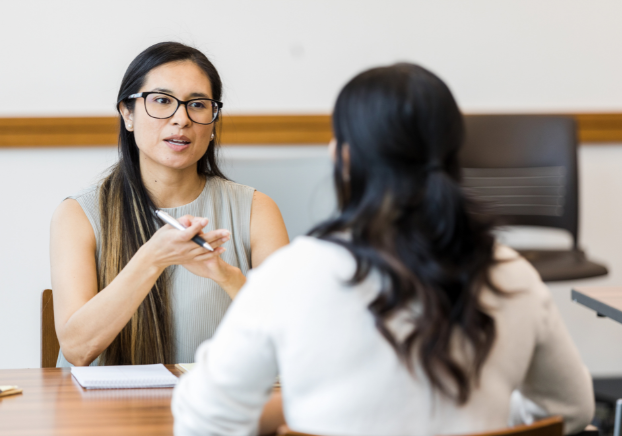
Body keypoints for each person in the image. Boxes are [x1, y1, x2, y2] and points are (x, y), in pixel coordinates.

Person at [171, 63, 594, 435]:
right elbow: (570, 411)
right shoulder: (510, 272)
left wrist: (293, 413)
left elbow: (202, 420)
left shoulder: (296, 273)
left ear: (343, 157)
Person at [50, 42, 289, 368]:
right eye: (162, 101)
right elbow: (78, 350)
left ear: (213, 122)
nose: (181, 119)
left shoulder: (257, 210)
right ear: (128, 113)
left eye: (198, 104)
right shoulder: (77, 215)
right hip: (106, 415)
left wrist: (226, 276)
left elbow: (291, 338)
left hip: (218, 411)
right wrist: (153, 257)